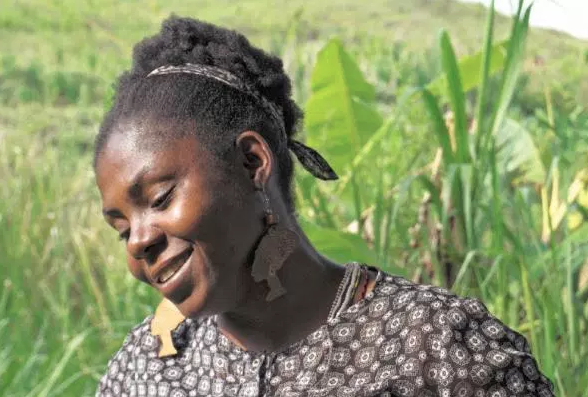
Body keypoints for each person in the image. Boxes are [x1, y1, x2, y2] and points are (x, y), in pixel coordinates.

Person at [94, 16, 554, 397]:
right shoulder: (145, 369)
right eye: (121, 229)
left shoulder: (438, 349)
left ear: (252, 162)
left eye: (159, 199)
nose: (139, 242)